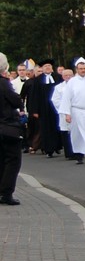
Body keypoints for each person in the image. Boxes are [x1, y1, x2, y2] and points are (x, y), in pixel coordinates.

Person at [1, 52, 25, 205]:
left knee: (1, 159)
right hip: (7, 126)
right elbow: (16, 101)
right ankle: (6, 193)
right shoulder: (3, 83)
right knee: (13, 160)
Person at [27, 59, 61, 157]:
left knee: (57, 126)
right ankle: (48, 149)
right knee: (45, 128)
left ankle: (57, 146)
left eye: (49, 66)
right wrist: (34, 110)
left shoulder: (58, 77)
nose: (47, 68)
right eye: (45, 66)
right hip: (43, 108)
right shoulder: (37, 80)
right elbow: (34, 96)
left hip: (55, 107)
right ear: (42, 68)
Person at [51, 68, 75, 161]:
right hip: (64, 112)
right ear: (62, 76)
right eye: (66, 75)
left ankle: (79, 152)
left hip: (76, 111)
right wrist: (65, 106)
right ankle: (69, 153)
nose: (68, 77)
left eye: (70, 75)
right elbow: (55, 100)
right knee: (66, 133)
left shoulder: (77, 85)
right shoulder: (58, 87)